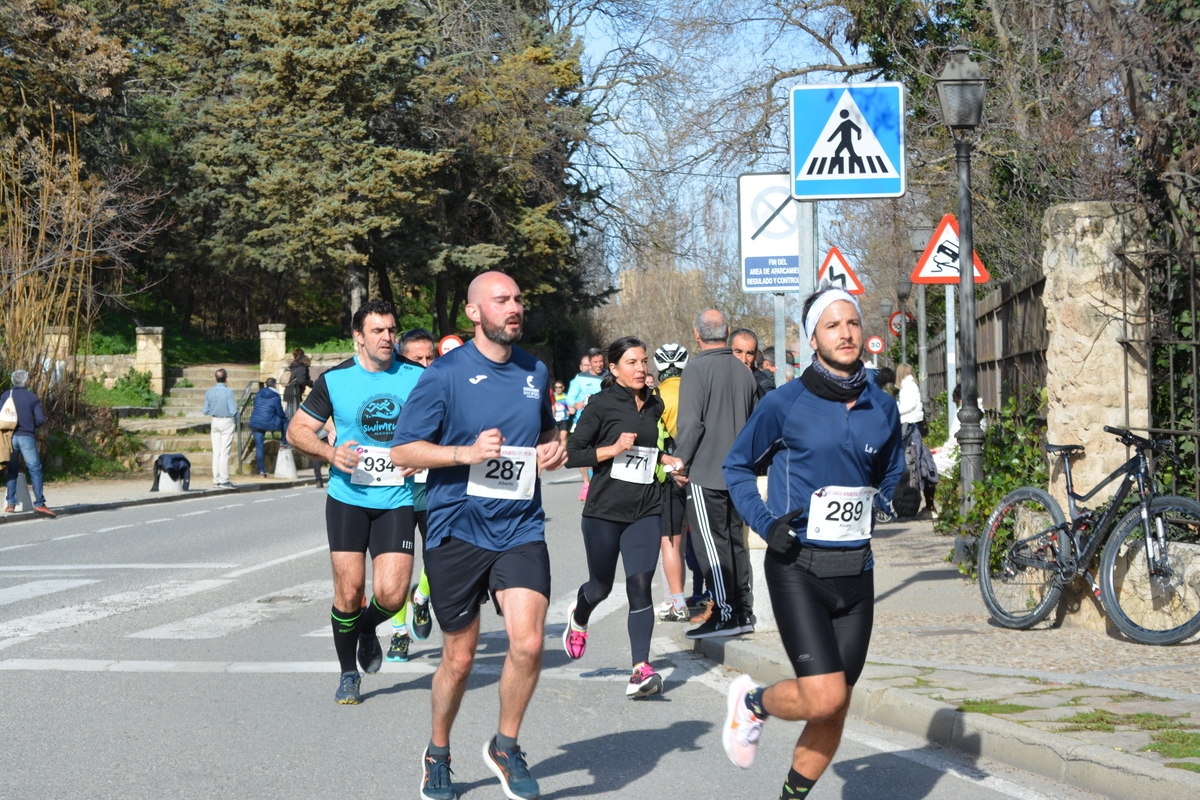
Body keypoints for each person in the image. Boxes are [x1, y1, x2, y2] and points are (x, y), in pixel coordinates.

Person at [720, 287, 904, 799]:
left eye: (851, 323)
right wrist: (765, 522)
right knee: (824, 696)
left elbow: (892, 468)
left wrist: (888, 497)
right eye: (832, 325)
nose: (845, 333)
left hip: (857, 571)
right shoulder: (784, 403)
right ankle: (752, 703)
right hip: (797, 565)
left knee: (835, 702)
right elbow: (735, 467)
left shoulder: (881, 406)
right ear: (812, 339)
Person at [390, 271, 568, 800]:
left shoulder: (535, 369)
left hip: (520, 525)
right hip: (456, 528)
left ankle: (506, 746)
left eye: (518, 298)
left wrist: (553, 447)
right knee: (460, 658)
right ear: (474, 312)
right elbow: (403, 453)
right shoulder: (444, 375)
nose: (515, 307)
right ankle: (437, 751)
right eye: (502, 300)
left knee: (530, 642)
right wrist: (463, 453)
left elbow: (545, 429)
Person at [287, 300, 424, 705]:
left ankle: (367, 628)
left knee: (393, 595)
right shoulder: (336, 380)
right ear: (358, 337)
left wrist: (424, 456)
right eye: (378, 331)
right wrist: (330, 454)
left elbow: (443, 426)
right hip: (348, 498)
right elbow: (297, 430)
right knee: (348, 592)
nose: (387, 338)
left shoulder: (417, 377)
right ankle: (349, 673)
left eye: (392, 330)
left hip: (397, 498)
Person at [563, 336, 683, 698]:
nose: (641, 368)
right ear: (613, 369)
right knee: (599, 587)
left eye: (643, 361)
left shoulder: (654, 402)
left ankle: (640, 669)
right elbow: (573, 454)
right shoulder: (600, 405)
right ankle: (580, 616)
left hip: (646, 508)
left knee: (641, 585)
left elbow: (651, 448)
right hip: (604, 512)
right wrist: (613, 449)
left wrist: (667, 461)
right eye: (631, 362)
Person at [674, 308, 759, 638]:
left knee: (712, 547)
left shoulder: (695, 370)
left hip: (706, 472)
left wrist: (680, 462)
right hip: (739, 473)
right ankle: (743, 611)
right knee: (735, 543)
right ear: (726, 334)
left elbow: (691, 425)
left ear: (697, 335)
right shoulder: (744, 372)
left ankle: (725, 615)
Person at [386, 328, 437, 663]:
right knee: (393, 570)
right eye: (415, 358)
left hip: (434, 487)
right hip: (395, 491)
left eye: (429, 357)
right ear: (402, 359)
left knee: (438, 556)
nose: (423, 364)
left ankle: (421, 598)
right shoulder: (388, 388)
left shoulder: (444, 389)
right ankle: (399, 634)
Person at [653, 343, 694, 623]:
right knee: (697, 539)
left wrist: (669, 469)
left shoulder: (655, 396)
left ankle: (676, 603)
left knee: (670, 542)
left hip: (669, 475)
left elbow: (654, 440)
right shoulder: (697, 390)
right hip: (699, 472)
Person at [2, 370, 54, 517]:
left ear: (13, 382)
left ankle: (11, 503)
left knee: (12, 469)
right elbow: (41, 419)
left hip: (9, 437)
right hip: (26, 437)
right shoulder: (32, 398)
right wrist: (31, 426)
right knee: (35, 469)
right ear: (26, 382)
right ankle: (39, 503)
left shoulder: (6, 395)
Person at [566, 348, 605, 500]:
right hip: (584, 421)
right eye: (595, 362)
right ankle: (587, 483)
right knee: (583, 453)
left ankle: (599, 483)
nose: (599, 364)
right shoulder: (580, 378)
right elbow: (570, 397)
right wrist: (575, 404)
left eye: (601, 361)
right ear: (590, 363)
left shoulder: (609, 375)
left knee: (600, 452)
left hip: (604, 421)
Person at [202, 369, 238, 489]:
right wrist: (235, 420)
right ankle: (224, 479)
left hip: (215, 421)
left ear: (215, 378)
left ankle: (216, 479)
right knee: (225, 452)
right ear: (226, 379)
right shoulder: (228, 392)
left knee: (216, 452)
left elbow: (205, 410)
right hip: (226, 421)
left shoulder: (209, 392)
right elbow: (233, 410)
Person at [248, 377, 287, 478]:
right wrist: (282, 417)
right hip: (269, 422)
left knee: (259, 447)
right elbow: (279, 412)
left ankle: (261, 472)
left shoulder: (258, 394)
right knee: (286, 422)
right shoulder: (276, 396)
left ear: (266, 385)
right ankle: (283, 442)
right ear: (275, 385)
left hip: (255, 422)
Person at [730, 328, 774, 398]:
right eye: (738, 352)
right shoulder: (718, 376)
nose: (744, 360)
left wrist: (752, 382)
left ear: (756, 355)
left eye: (749, 354)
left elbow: (769, 404)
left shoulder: (763, 383)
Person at [895, 364, 925, 437]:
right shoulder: (909, 384)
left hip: (910, 421)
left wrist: (896, 410)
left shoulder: (908, 385)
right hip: (911, 420)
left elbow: (910, 404)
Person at [282, 348, 312, 418]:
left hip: (289, 390)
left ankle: (286, 425)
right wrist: (311, 383)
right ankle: (287, 426)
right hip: (295, 391)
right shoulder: (302, 368)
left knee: (290, 409)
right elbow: (301, 380)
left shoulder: (292, 366)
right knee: (292, 411)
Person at [552, 380, 571, 449]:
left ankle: (563, 453)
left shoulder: (566, 396)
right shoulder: (552, 396)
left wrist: (570, 411)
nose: (558, 389)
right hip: (554, 419)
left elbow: (570, 406)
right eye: (556, 387)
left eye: (560, 387)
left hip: (564, 419)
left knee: (563, 436)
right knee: (555, 438)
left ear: (563, 388)